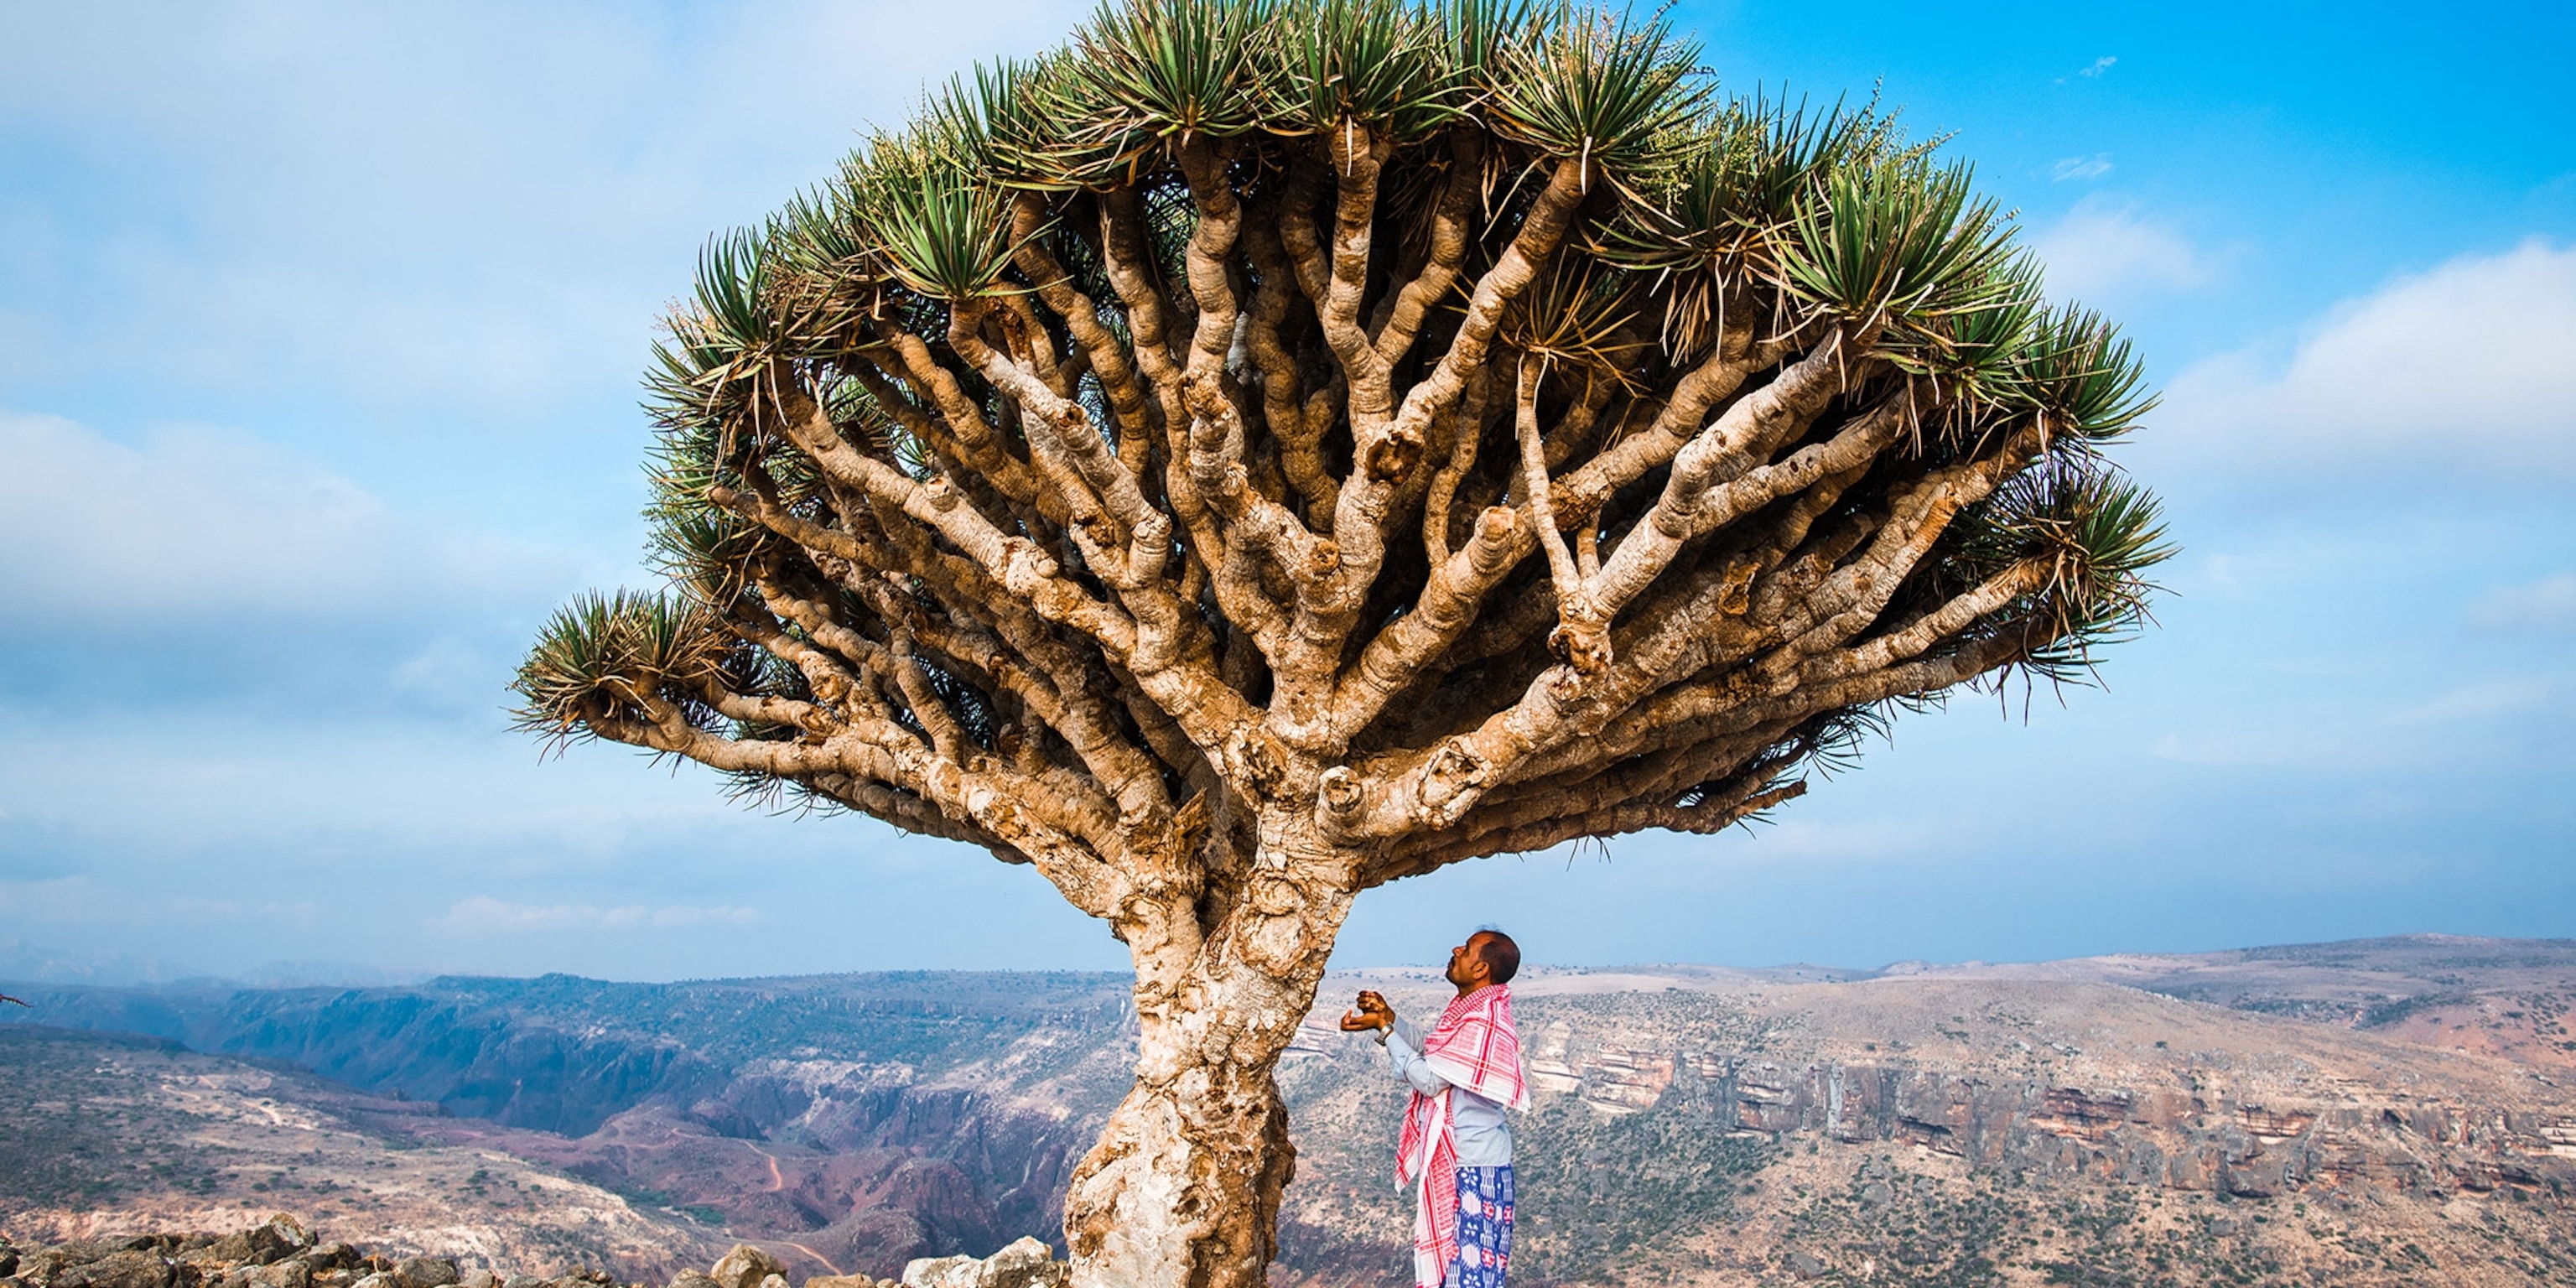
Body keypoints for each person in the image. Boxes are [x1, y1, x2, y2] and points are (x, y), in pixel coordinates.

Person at [1341, 929, 1529, 1288]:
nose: (1456, 950)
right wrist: (1389, 1021)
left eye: (1468, 949)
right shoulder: (1470, 1010)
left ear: (1480, 970)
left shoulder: (1483, 1021)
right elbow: (1435, 1057)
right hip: (1469, 1162)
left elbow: (1430, 1080)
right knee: (1459, 1269)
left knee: (1470, 1273)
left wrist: (1386, 1030)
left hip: (1474, 1167)